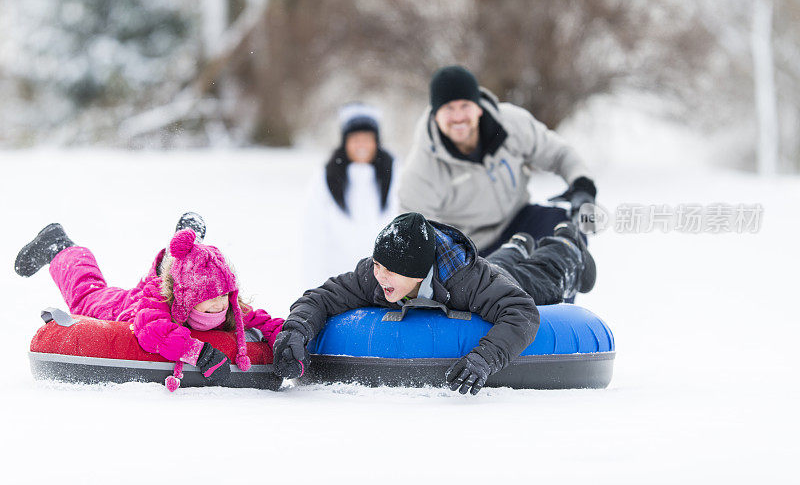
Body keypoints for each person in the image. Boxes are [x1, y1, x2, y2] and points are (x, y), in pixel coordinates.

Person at [273, 212, 596, 395]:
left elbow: (522, 312)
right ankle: (517, 245)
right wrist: (296, 331)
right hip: (491, 270)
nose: (380, 276)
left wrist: (484, 359)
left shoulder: (464, 278)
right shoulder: (373, 276)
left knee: (538, 281)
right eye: (377, 265)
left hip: (504, 279)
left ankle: (566, 244)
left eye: (391, 270)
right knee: (503, 265)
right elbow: (321, 297)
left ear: (417, 273)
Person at [14, 215, 284, 391]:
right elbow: (153, 329)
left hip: (175, 285)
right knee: (86, 294)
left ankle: (187, 245)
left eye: (222, 297)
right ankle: (58, 245)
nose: (218, 305)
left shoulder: (227, 303)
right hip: (125, 307)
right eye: (208, 299)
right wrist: (198, 353)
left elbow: (266, 322)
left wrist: (286, 342)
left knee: (185, 274)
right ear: (188, 299)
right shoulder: (158, 298)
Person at [398, 65, 598, 256]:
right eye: (448, 108)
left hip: (521, 222)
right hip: (470, 248)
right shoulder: (421, 168)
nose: (458, 117)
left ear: (478, 107)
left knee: (564, 232)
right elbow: (413, 233)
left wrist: (582, 186)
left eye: (465, 105)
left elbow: (558, 153)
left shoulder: (512, 124)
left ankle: (558, 286)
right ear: (435, 115)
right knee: (507, 281)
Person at [303, 102, 398, 284]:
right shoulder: (325, 178)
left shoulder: (394, 174)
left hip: (386, 283)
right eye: (355, 139)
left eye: (367, 138)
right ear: (345, 142)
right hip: (338, 280)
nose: (361, 144)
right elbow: (312, 236)